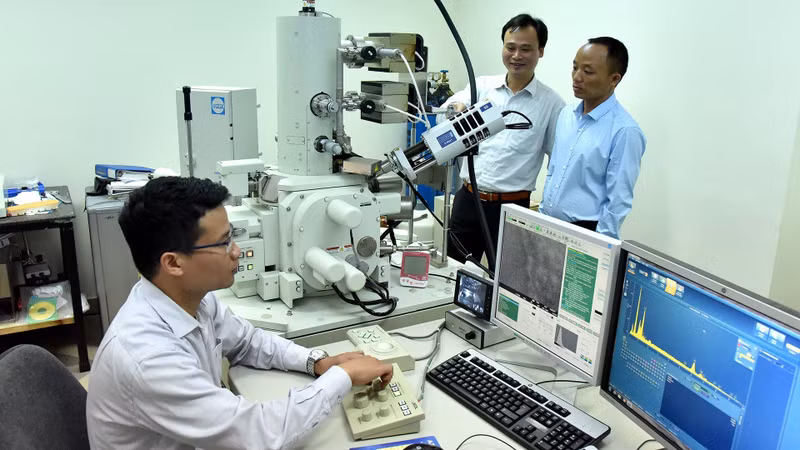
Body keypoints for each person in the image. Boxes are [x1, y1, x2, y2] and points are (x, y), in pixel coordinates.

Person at [86, 177, 393, 450]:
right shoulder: (147, 359)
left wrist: (317, 362)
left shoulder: (189, 299)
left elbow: (247, 342)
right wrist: (342, 377)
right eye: (223, 243)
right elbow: (258, 434)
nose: (236, 251)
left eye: (232, 235)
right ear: (174, 263)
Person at [443, 13, 565, 263]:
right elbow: (451, 108)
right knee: (454, 274)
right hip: (468, 199)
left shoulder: (552, 104)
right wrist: (455, 107)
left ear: (540, 51)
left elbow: (558, 161)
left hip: (512, 208)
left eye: (526, 49)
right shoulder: (482, 87)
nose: (517, 56)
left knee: (508, 281)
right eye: (510, 47)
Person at [540, 37, 646, 238]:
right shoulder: (566, 115)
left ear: (614, 79)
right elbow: (553, 170)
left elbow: (618, 201)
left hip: (586, 233)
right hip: (548, 225)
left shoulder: (625, 130)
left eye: (587, 71)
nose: (577, 77)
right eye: (575, 68)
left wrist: (599, 246)